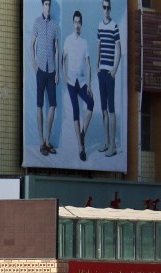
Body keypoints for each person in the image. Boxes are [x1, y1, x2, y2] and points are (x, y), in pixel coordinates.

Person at [63, 10, 94, 162]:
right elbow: (63, 59)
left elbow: (88, 63)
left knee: (91, 103)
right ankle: (81, 148)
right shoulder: (68, 40)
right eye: (75, 22)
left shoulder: (85, 42)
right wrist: (64, 75)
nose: (77, 25)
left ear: (81, 24)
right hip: (71, 82)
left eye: (79, 22)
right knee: (76, 110)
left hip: (81, 82)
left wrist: (89, 85)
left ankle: (82, 133)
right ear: (73, 23)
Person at [31, 0, 60, 156]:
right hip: (41, 69)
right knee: (39, 106)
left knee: (53, 105)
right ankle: (41, 142)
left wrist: (57, 72)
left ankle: (48, 141)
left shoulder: (55, 25)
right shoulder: (37, 22)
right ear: (42, 6)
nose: (48, 7)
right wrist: (34, 64)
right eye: (46, 4)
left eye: (49, 5)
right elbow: (32, 44)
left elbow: (56, 49)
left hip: (51, 71)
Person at [96, 0, 121, 157]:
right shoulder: (99, 25)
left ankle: (113, 145)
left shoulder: (114, 26)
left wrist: (115, 70)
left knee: (111, 110)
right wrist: (97, 66)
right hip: (101, 72)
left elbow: (119, 49)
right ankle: (106, 143)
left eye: (108, 7)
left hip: (110, 73)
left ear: (110, 9)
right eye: (104, 7)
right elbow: (98, 46)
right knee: (104, 109)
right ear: (102, 9)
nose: (106, 10)